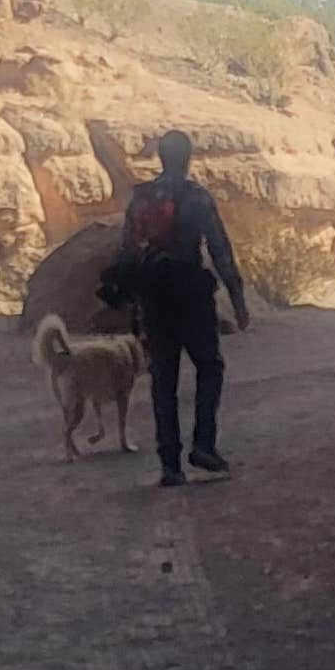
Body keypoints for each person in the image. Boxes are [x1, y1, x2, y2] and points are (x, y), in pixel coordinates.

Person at [103, 127, 249, 484]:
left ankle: (170, 463)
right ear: (188, 159)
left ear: (160, 158)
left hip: (154, 297)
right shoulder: (196, 197)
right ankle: (204, 445)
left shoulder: (142, 198)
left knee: (163, 379)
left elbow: (127, 250)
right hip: (191, 295)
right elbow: (219, 248)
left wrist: (135, 302)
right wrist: (236, 296)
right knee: (209, 366)